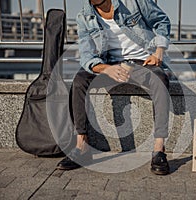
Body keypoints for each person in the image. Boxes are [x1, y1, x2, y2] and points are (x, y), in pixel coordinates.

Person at [57, 0, 171, 175]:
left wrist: (159, 51)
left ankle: (159, 149)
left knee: (160, 79)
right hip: (110, 65)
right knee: (79, 80)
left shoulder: (134, 2)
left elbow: (161, 21)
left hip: (142, 62)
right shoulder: (84, 16)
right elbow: (87, 55)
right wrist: (106, 69)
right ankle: (82, 147)